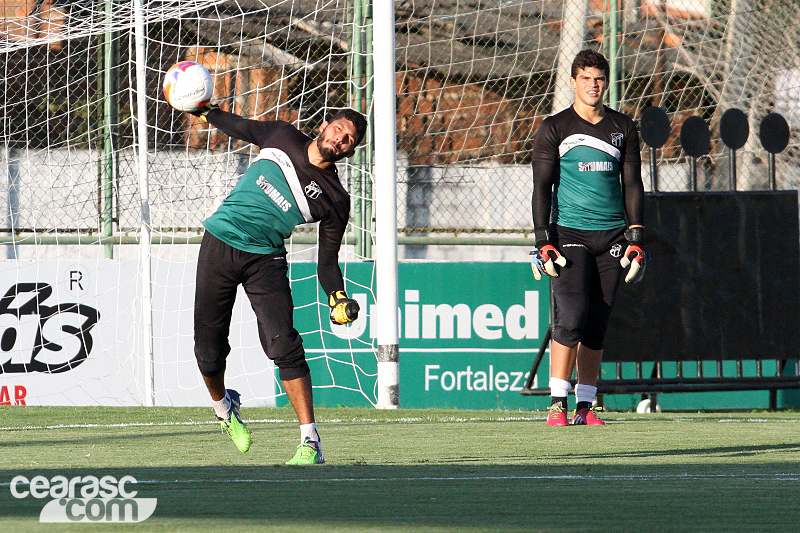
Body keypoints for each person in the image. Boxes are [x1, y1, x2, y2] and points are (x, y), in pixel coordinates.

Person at [190, 103, 367, 463]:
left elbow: (327, 261)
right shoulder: (281, 136)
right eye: (340, 129)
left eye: (350, 139)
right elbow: (236, 124)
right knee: (207, 353)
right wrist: (203, 109)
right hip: (219, 244)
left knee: (284, 344)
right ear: (324, 124)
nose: (342, 138)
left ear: (350, 150)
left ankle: (310, 442)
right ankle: (224, 410)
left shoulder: (336, 199)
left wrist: (337, 297)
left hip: (265, 261)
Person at [530, 49, 646, 426]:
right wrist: (542, 239)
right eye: (585, 79)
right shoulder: (554, 127)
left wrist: (636, 236)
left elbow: (632, 183)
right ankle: (556, 404)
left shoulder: (623, 127)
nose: (592, 85)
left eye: (598, 79)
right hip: (570, 234)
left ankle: (585, 406)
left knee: (597, 321)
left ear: (606, 82)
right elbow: (542, 187)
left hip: (612, 235)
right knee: (572, 316)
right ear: (573, 82)